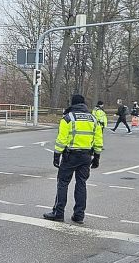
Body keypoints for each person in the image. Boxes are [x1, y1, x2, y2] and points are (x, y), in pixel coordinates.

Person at [44, 94, 103, 224]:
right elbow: (98, 139)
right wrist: (97, 156)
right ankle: (79, 215)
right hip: (87, 156)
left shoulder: (68, 118)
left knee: (63, 183)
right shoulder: (93, 119)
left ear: (72, 104)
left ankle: (58, 213)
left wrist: (56, 155)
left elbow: (62, 139)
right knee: (81, 184)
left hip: (70, 156)